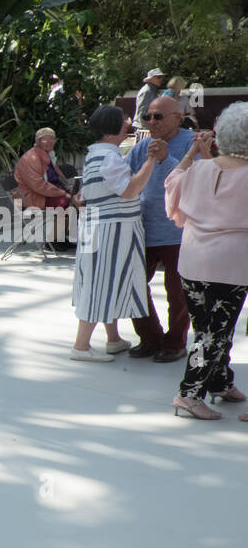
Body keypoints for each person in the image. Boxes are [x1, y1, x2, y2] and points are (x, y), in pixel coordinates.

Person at [164, 104, 248, 420]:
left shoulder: (201, 168)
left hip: (194, 261)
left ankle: (219, 380)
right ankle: (189, 393)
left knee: (207, 329)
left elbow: (173, 182)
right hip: (230, 265)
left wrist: (193, 153)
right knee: (213, 334)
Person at [69, 105, 159, 361]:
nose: (128, 127)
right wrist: (150, 162)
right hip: (111, 229)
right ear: (112, 129)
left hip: (97, 224)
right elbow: (129, 190)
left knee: (107, 280)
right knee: (102, 282)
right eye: (124, 123)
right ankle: (81, 345)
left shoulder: (96, 154)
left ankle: (113, 339)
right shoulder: (109, 157)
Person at [128, 95, 199, 362]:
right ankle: (150, 338)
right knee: (133, 284)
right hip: (143, 229)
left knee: (177, 291)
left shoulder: (192, 143)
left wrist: (167, 159)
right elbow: (126, 179)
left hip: (177, 232)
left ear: (178, 118)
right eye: (148, 116)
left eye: (158, 116)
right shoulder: (141, 146)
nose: (152, 122)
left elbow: (196, 181)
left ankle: (174, 343)